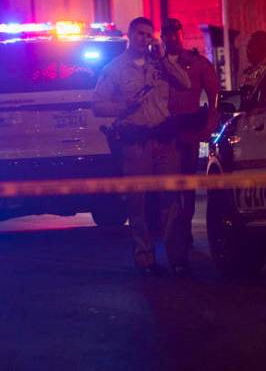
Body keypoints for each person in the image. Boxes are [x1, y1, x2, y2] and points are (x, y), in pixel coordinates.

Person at [93, 16, 191, 277]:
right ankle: (144, 258)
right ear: (130, 35)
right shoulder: (114, 69)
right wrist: (121, 108)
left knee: (171, 201)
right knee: (138, 204)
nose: (144, 39)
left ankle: (177, 258)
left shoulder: (159, 65)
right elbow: (97, 105)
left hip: (163, 140)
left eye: (149, 34)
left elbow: (186, 83)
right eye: (140, 34)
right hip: (135, 143)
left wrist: (163, 60)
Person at [161, 18, 220, 253]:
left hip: (187, 134)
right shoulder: (155, 65)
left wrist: (208, 128)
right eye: (167, 34)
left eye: (176, 34)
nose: (171, 38)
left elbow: (215, 97)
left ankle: (183, 231)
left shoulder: (197, 64)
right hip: (162, 133)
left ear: (182, 35)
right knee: (165, 189)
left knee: (186, 188)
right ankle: (171, 232)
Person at [241, 30, 266, 102]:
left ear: (262, 48)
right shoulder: (252, 70)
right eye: (247, 48)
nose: (247, 51)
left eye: (250, 47)